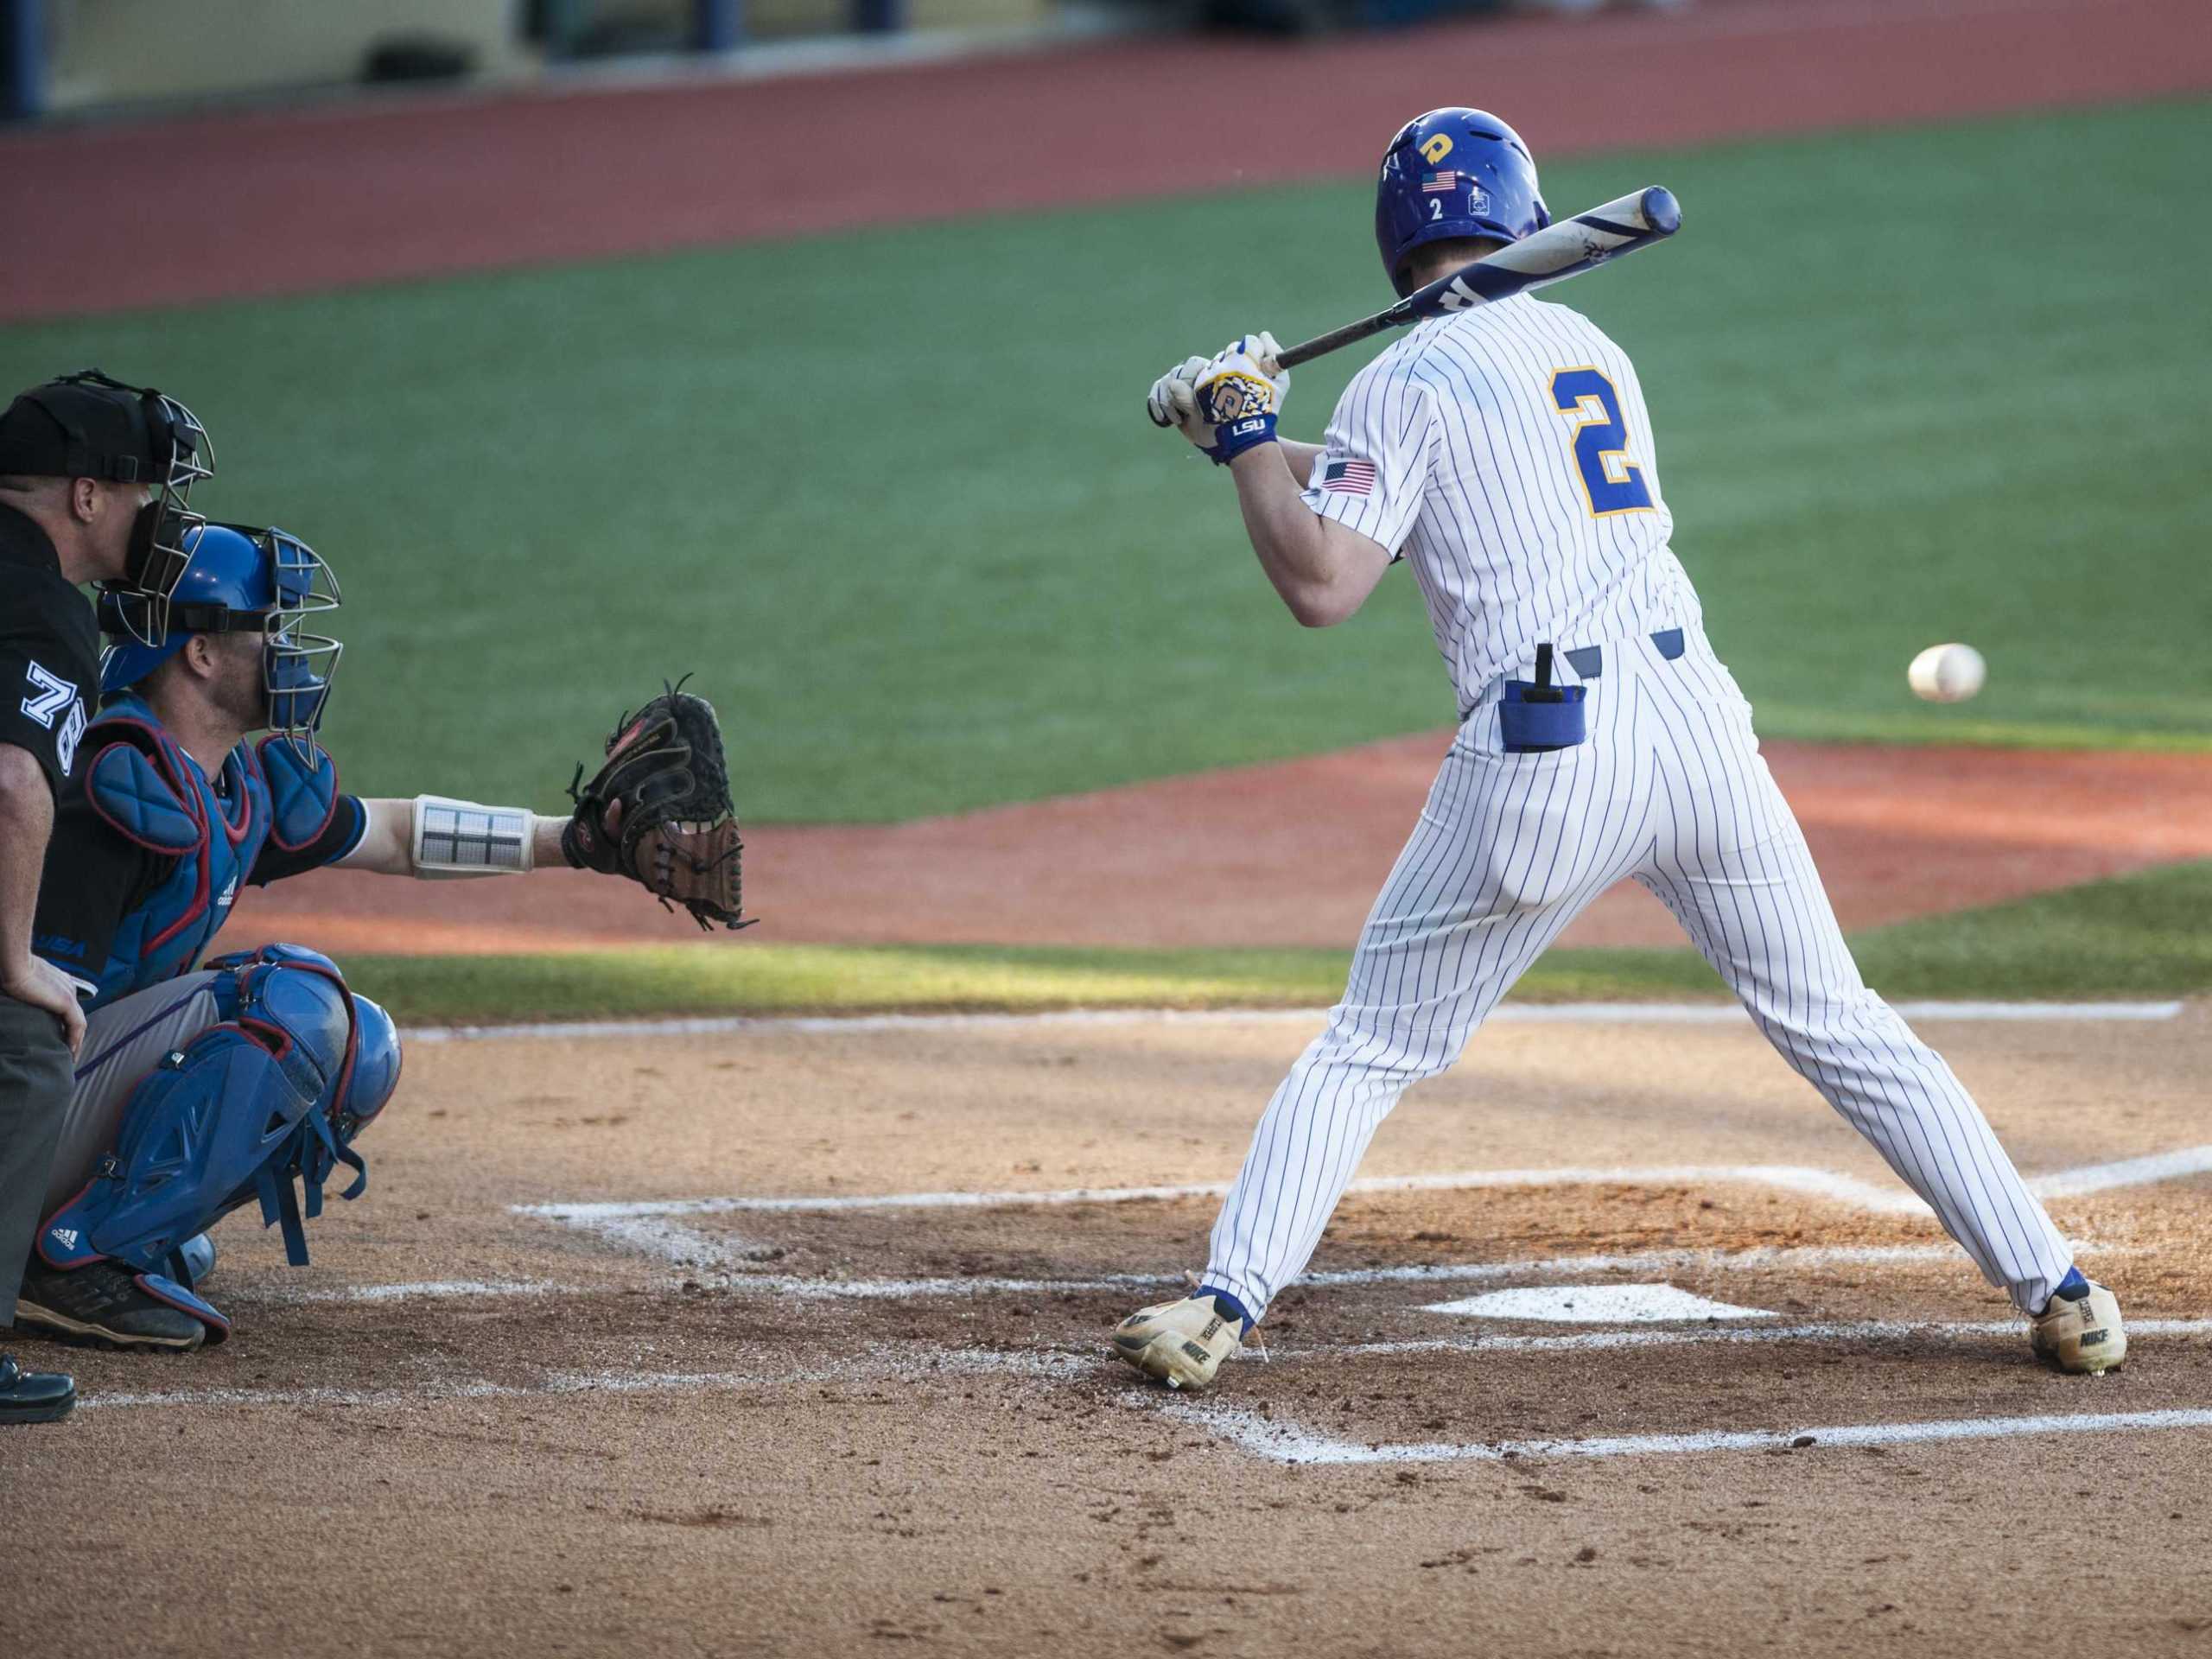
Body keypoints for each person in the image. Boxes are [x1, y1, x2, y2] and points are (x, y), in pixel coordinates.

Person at [1112, 108, 2126, 1391]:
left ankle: (1223, 1305)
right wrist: (1238, 446)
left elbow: (1325, 581)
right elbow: (1402, 486)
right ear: (1523, 216)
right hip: (1704, 742)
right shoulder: (1588, 346)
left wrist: (1257, 439)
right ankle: (2066, 1288)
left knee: (1371, 1046)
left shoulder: (1401, 381)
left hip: (1545, 764)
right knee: (1841, 1021)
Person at [12, 518, 748, 1353]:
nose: (286, 648)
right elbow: (27, 1014)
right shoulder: (116, 788)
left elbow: (396, 835)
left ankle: (111, 1222)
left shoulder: (228, 787)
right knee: (289, 1002)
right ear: (201, 654)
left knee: (360, 1047)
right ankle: (68, 1255)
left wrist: (573, 845)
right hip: (20, 1110)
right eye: (265, 627)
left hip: (65, 1096)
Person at [0, 370, 212, 1424]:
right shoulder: (38, 602)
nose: (154, 514)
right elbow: (13, 781)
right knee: (25, 1046)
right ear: (87, 495)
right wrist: (12, 958)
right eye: (141, 491)